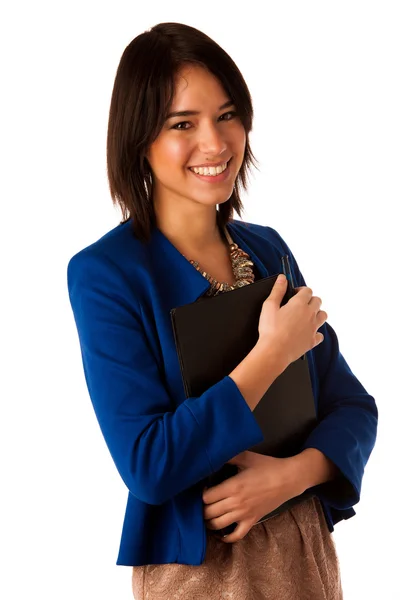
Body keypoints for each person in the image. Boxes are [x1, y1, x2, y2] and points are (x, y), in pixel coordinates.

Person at [67, 22, 378, 600]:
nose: (215, 143)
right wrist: (273, 353)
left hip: (305, 550)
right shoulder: (107, 274)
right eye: (183, 124)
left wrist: (292, 476)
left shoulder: (267, 250)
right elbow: (151, 464)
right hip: (202, 570)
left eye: (227, 115)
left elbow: (353, 405)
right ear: (141, 139)